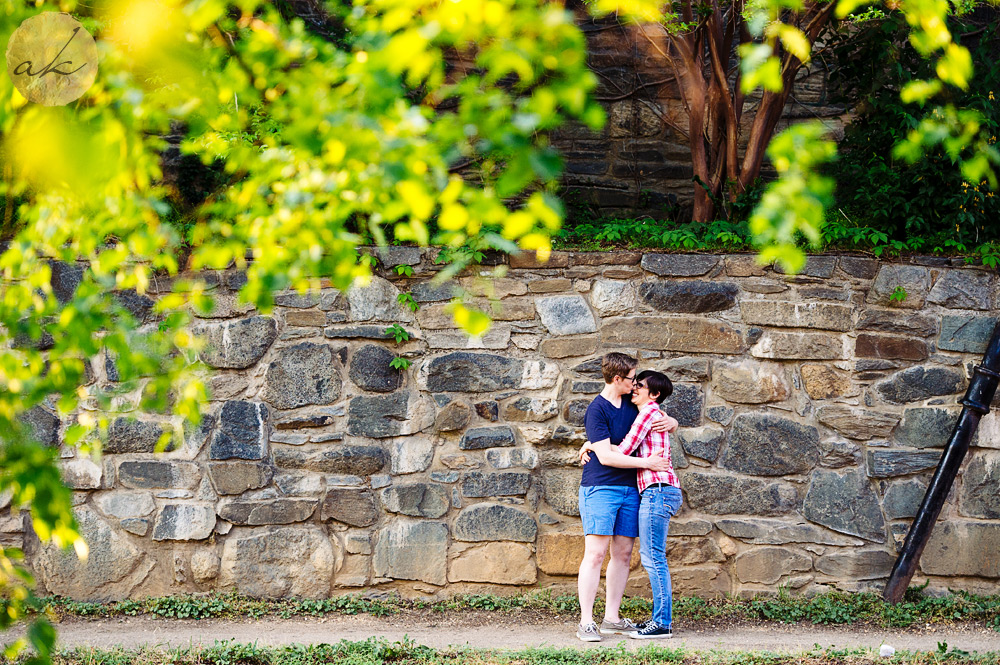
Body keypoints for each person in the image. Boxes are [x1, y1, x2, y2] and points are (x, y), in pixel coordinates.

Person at [575, 353, 678, 643]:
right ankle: (586, 622)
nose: (636, 384)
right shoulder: (597, 409)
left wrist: (673, 421)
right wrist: (596, 447)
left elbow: (649, 422)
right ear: (617, 379)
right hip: (601, 487)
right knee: (595, 554)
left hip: (633, 490)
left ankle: (612, 618)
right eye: (632, 379)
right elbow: (607, 456)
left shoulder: (634, 406)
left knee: (622, 555)